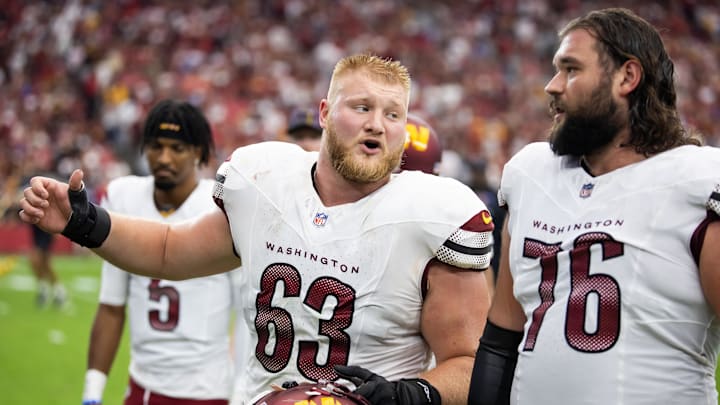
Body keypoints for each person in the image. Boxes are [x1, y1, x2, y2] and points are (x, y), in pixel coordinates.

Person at [20, 53, 495, 405]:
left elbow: (473, 365)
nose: (377, 124)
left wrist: (404, 395)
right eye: (362, 107)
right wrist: (84, 222)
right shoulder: (267, 181)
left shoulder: (433, 213)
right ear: (325, 114)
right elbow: (169, 250)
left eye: (393, 114)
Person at [468, 8, 720, 405]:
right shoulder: (531, 175)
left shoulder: (697, 180)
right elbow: (502, 342)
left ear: (627, 77)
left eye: (570, 69)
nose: (552, 86)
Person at [81, 100, 238, 405]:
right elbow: (111, 303)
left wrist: (241, 392)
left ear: (198, 152)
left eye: (177, 148)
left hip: (208, 391)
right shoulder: (123, 196)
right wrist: (92, 391)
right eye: (156, 146)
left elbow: (247, 314)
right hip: (143, 387)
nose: (164, 157)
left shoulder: (222, 204)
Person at [28, 224, 66, 308]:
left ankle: (52, 291)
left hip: (45, 229)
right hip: (37, 228)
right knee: (44, 264)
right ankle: (56, 291)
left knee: (38, 260)